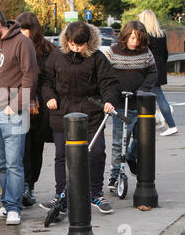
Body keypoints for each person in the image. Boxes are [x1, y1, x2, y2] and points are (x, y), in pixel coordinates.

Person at [40, 21, 119, 215]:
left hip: (90, 112)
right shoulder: (57, 56)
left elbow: (109, 82)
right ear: (67, 41)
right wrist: (49, 97)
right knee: (62, 155)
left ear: (88, 42)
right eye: (73, 44)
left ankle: (95, 193)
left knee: (96, 152)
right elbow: (46, 80)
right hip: (63, 112)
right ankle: (61, 195)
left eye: (80, 45)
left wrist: (109, 100)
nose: (76, 48)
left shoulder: (97, 58)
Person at [0, 6, 39, 225]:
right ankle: (6, 204)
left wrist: (15, 106)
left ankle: (14, 208)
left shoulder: (23, 43)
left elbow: (29, 76)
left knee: (14, 163)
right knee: (0, 163)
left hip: (13, 114)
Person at [102, 20, 157, 189]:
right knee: (119, 141)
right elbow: (104, 74)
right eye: (132, 38)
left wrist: (143, 89)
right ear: (125, 37)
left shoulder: (146, 53)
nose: (135, 42)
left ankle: (132, 157)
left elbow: (153, 73)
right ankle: (114, 175)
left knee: (142, 139)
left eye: (138, 38)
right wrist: (110, 94)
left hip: (139, 103)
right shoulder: (112, 52)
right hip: (119, 104)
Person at [15, 12, 55, 207]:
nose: (21, 33)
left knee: (35, 148)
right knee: (22, 148)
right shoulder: (15, 46)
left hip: (40, 108)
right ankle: (22, 186)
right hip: (20, 105)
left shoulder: (47, 50)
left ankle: (29, 185)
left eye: (24, 29)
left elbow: (50, 77)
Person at [138, 9, 178, 136]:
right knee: (154, 96)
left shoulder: (144, 36)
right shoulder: (161, 34)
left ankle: (171, 125)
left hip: (148, 70)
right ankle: (152, 121)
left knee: (156, 98)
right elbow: (165, 54)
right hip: (159, 69)